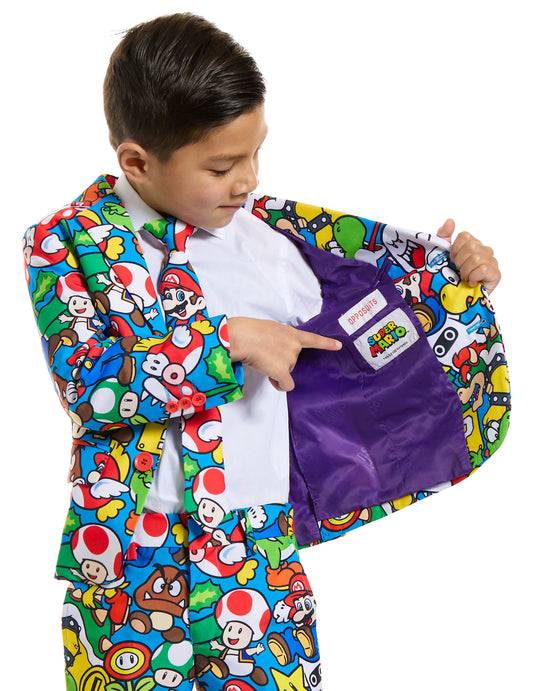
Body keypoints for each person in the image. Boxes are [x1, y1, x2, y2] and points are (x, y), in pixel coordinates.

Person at [23, 12, 504, 691]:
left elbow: (369, 312)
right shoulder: (66, 242)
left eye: (255, 154)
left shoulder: (270, 237)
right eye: (221, 166)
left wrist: (453, 273)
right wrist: (228, 344)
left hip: (256, 552)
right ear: (136, 162)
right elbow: (89, 385)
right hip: (131, 558)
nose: (247, 180)